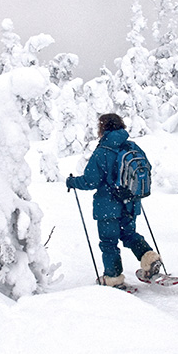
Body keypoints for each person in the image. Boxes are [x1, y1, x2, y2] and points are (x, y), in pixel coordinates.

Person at [67, 113, 162, 290]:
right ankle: (150, 259)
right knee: (128, 234)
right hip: (131, 203)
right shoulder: (132, 146)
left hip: (107, 206)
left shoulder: (102, 151)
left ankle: (113, 278)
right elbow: (146, 169)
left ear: (103, 128)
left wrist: (72, 182)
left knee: (109, 242)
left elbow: (90, 181)